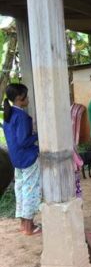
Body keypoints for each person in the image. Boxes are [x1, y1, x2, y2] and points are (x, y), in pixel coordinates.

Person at [2, 83, 41, 236]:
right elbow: (24, 141)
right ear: (19, 98)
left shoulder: (8, 114)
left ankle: (23, 225)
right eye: (26, 95)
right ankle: (29, 227)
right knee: (31, 191)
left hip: (16, 158)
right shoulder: (22, 116)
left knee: (21, 190)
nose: (28, 98)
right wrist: (39, 135)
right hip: (27, 158)